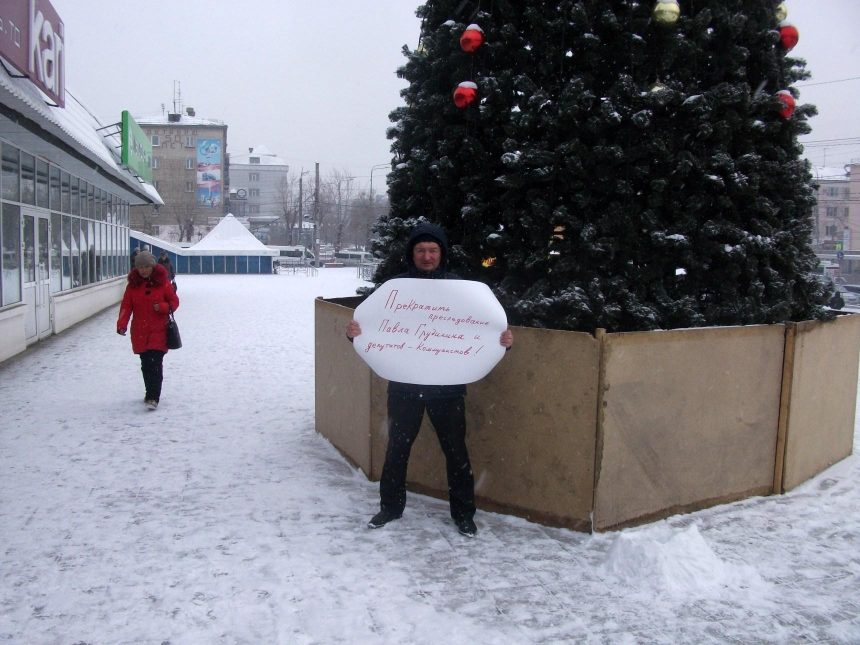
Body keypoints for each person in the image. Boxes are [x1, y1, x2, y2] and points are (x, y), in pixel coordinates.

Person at [345, 223, 514, 538]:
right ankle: (390, 508)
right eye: (421, 250)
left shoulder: (460, 290)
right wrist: (352, 333)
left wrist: (502, 340)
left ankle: (464, 515)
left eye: (432, 250)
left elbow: (481, 328)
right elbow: (371, 327)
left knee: (456, 454)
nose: (426, 256)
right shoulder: (395, 288)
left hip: (447, 389)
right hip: (404, 387)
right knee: (397, 450)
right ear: (412, 253)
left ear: (442, 253)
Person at [117, 251, 179, 410]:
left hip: (159, 330)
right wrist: (121, 323)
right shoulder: (132, 286)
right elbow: (126, 306)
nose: (143, 270)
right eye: (140, 267)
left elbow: (174, 301)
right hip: (140, 331)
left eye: (146, 267)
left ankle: (154, 397)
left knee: (155, 363)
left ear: (152, 266)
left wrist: (164, 307)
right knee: (145, 364)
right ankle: (149, 392)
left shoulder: (163, 283)